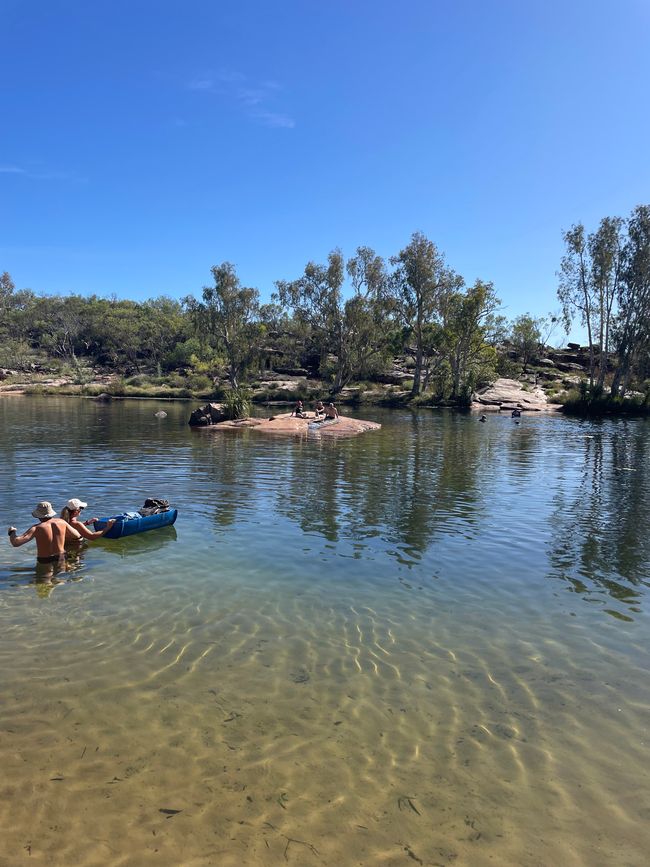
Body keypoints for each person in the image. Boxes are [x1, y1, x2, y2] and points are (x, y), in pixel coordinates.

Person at [8, 501, 82, 565]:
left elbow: (16, 543)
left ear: (38, 515)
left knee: (44, 580)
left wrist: (12, 532)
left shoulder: (36, 528)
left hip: (45, 560)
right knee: (60, 579)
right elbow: (78, 536)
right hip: (61, 557)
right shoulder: (62, 522)